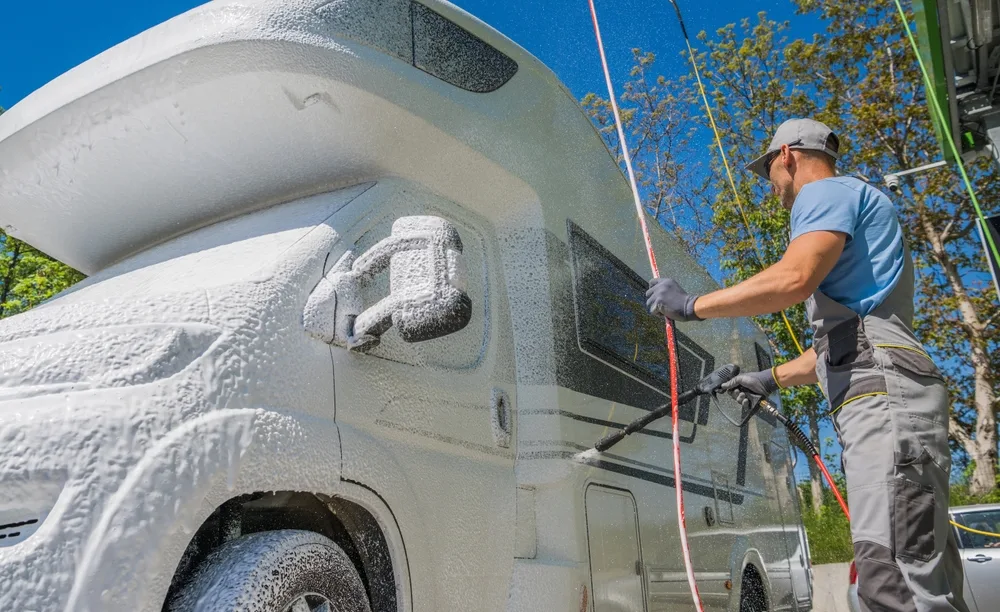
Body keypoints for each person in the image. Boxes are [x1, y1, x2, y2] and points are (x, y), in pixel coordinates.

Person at [646, 118, 968, 612]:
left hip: (883, 394)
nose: (772, 188)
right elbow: (848, 341)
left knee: (891, 581)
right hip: (893, 387)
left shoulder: (825, 194)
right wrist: (767, 378)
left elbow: (795, 277)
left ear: (788, 157)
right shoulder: (860, 204)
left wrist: (691, 305)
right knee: (922, 576)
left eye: (769, 173)